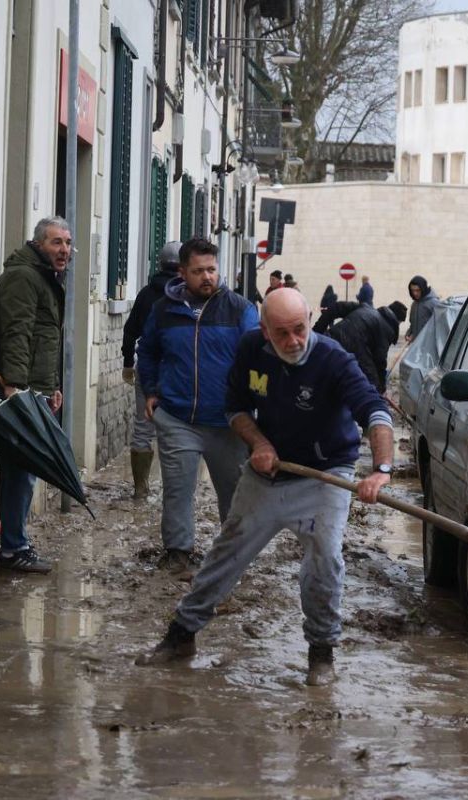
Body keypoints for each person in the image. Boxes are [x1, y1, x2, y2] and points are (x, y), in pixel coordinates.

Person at [136, 288, 395, 686]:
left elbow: (375, 412)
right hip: (269, 472)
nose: (293, 341)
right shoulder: (251, 349)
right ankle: (181, 636)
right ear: (264, 330)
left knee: (325, 558)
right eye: (282, 333)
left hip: (326, 473)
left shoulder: (334, 360)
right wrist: (259, 443)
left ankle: (321, 652)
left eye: (300, 330)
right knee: (227, 551)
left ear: (310, 320)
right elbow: (236, 408)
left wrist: (380, 469)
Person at [136, 239, 260, 576]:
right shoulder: (163, 310)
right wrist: (150, 390)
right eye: (198, 271)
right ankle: (178, 553)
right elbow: (147, 351)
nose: (207, 277)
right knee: (177, 489)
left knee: (234, 495)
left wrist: (255, 411)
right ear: (182, 272)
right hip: (178, 417)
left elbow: (258, 358)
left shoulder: (240, 309)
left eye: (211, 269)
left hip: (228, 422)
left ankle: (234, 557)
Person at [0, 217, 73, 573]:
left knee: (26, 470)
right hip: (19, 388)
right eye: (56, 242)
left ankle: (15, 544)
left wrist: (51, 386)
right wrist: (16, 390)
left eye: (67, 243)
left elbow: (44, 339)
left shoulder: (42, 278)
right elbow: (16, 334)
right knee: (21, 471)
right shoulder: (23, 277)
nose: (64, 249)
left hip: (35, 388)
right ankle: (13, 549)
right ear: (38, 245)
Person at [121, 241, 182, 499]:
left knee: (143, 426)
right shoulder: (185, 295)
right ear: (183, 267)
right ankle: (175, 489)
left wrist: (127, 363)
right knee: (177, 428)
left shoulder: (146, 293)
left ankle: (140, 489)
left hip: (146, 371)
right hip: (178, 371)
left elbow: (130, 329)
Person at [313, 299, 408, 392]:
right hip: (354, 350)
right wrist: (381, 387)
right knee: (372, 384)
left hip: (332, 339)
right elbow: (380, 360)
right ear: (398, 321)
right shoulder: (388, 329)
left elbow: (336, 307)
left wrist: (317, 332)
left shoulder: (365, 307)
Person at [405, 275, 440, 342]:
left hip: (429, 345)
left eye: (418, 290)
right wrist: (409, 333)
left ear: (423, 289)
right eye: (413, 290)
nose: (415, 293)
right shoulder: (414, 305)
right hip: (416, 345)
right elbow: (413, 325)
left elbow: (440, 325)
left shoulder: (434, 303)